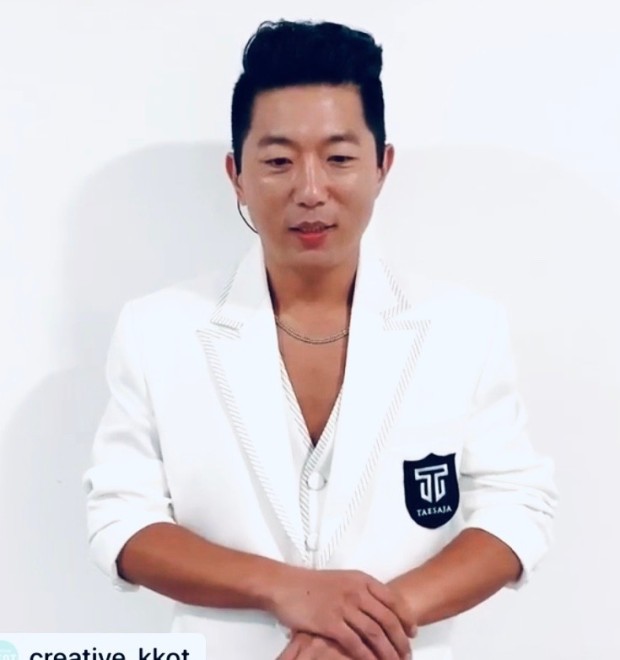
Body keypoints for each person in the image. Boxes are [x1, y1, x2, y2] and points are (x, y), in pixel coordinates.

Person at [84, 19, 557, 660]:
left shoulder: (464, 327)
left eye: (339, 158)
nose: (310, 190)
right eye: (278, 161)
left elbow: (516, 506)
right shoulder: (158, 329)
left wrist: (368, 624)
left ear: (382, 166)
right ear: (236, 174)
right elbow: (121, 518)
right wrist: (287, 589)